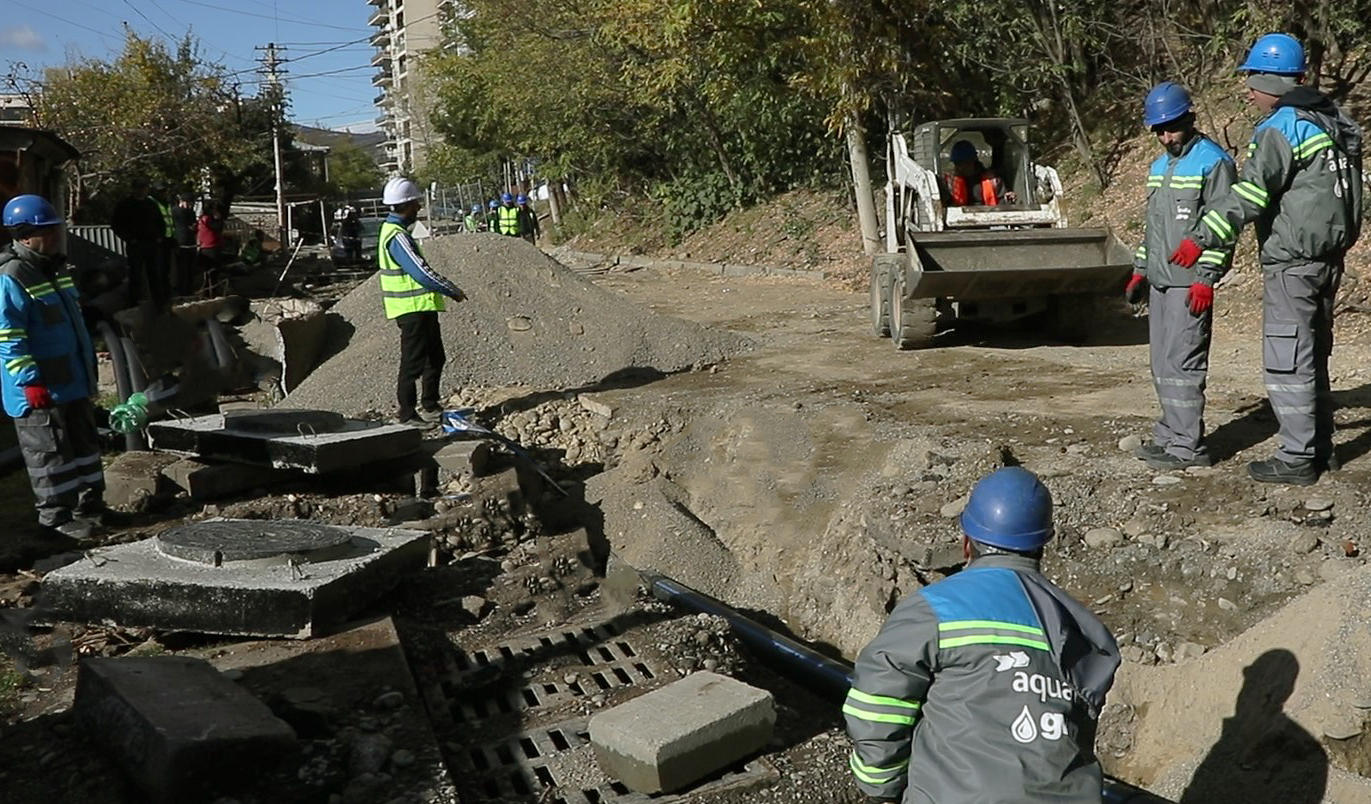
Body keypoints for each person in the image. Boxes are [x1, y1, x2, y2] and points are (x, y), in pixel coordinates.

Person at [844, 466, 1120, 804]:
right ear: (1043, 544)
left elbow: (877, 702)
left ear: (965, 543)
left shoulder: (935, 610)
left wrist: (880, 786)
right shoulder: (1087, 631)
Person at [1169, 33, 1363, 485]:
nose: (1247, 91)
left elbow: (1252, 193)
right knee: (1314, 352)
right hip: (1328, 259)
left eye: (1251, 81)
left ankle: (1296, 456)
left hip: (1293, 261)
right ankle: (1320, 446)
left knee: (1288, 356)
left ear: (1268, 81)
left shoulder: (1279, 127)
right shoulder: (1327, 121)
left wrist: (1202, 236)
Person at [1125, 83, 1236, 470]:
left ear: (1189, 118)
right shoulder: (1159, 167)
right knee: (1162, 364)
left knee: (1183, 363)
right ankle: (1170, 436)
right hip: (1160, 280)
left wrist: (1207, 276)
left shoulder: (1213, 162)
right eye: (1158, 130)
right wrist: (1141, 270)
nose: (1164, 137)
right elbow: (1153, 229)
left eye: (1171, 127)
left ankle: (1189, 446)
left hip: (1189, 284)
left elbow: (1224, 225)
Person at [0, 195, 111, 540]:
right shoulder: (11, 276)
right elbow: (7, 338)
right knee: (49, 451)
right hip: (39, 385)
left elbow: (69, 318)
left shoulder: (55, 268)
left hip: (71, 379)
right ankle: (56, 519)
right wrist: (28, 380)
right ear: (24, 234)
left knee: (83, 445)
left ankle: (90, 508)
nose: (56, 237)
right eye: (48, 231)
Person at [377, 176, 466, 424]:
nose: (418, 207)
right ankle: (406, 413)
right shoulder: (397, 236)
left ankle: (430, 404)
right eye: (415, 203)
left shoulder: (397, 232)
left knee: (435, 358)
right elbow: (420, 272)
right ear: (404, 205)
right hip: (411, 310)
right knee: (413, 363)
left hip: (421, 308)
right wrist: (450, 289)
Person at [111, 177, 167, 307]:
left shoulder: (151, 204)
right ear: (134, 189)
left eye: (144, 188)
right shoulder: (125, 205)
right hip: (136, 245)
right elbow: (116, 224)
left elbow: (160, 222)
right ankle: (135, 302)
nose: (142, 191)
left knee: (155, 273)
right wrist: (130, 239)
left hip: (152, 244)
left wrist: (160, 237)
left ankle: (159, 302)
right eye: (139, 188)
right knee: (135, 274)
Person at [944, 140, 1016, 206]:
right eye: (957, 164)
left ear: (973, 161)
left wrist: (1008, 200)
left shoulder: (993, 180)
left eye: (965, 163)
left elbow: (1003, 203)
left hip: (990, 217)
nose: (960, 168)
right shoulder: (949, 184)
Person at [196, 200, 226, 293]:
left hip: (207, 246)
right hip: (210, 247)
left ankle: (209, 291)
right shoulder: (207, 219)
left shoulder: (202, 219)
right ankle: (211, 291)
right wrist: (219, 218)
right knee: (212, 272)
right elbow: (217, 227)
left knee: (209, 271)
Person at [170, 193, 197, 296]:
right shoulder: (175, 211)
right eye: (188, 203)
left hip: (191, 244)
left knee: (190, 270)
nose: (190, 205)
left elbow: (193, 225)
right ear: (182, 202)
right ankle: (182, 291)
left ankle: (189, 290)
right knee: (182, 270)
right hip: (180, 244)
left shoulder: (191, 212)